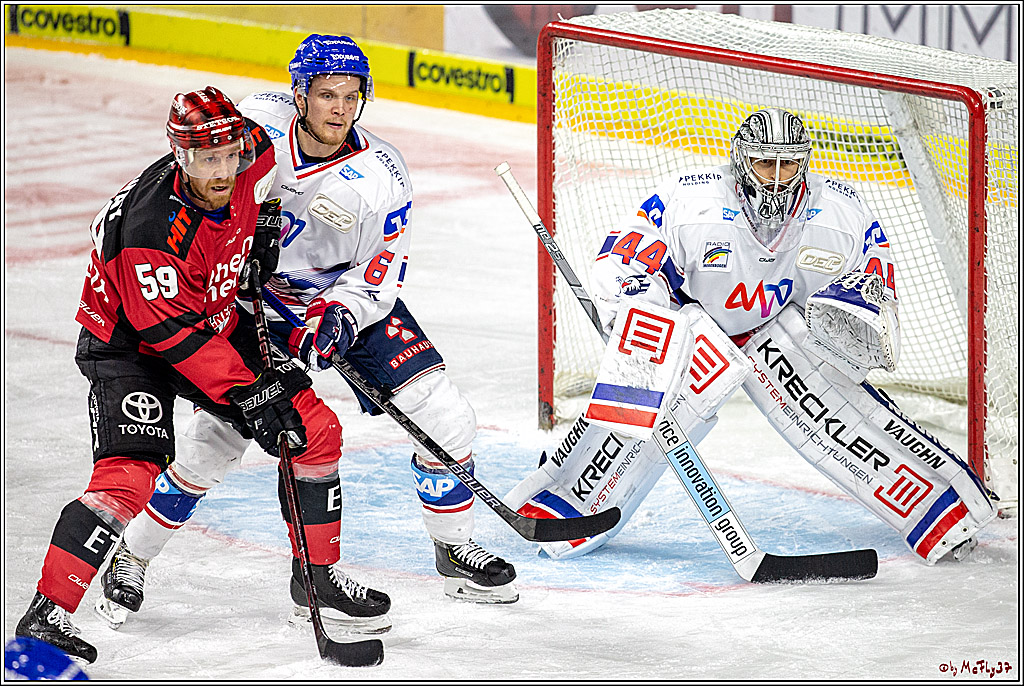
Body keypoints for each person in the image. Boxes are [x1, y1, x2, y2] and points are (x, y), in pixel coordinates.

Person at [93, 34, 518, 637]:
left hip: (336, 301)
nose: (340, 109)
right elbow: (192, 181)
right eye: (326, 95)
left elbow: (382, 267)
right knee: (217, 443)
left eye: (352, 96)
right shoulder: (254, 124)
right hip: (245, 306)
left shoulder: (383, 174)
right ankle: (132, 556)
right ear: (299, 95)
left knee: (444, 414)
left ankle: (454, 550)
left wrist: (342, 314)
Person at [506, 108, 996, 565]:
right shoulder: (692, 199)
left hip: (774, 328)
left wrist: (848, 327)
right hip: (690, 327)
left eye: (790, 166)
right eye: (766, 164)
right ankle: (559, 510)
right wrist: (635, 311)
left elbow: (871, 283)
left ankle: (947, 512)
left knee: (844, 420)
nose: (779, 178)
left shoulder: (838, 215)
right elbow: (628, 257)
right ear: (742, 162)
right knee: (629, 426)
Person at [13, 86, 339, 663]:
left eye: (229, 156)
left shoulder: (248, 152)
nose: (222, 170)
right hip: (131, 346)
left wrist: (262, 223)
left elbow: (275, 141)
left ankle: (316, 581)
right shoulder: (147, 231)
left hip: (209, 313)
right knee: (127, 479)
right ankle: (48, 613)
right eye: (206, 159)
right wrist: (250, 392)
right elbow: (172, 337)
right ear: (179, 156)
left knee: (316, 429)